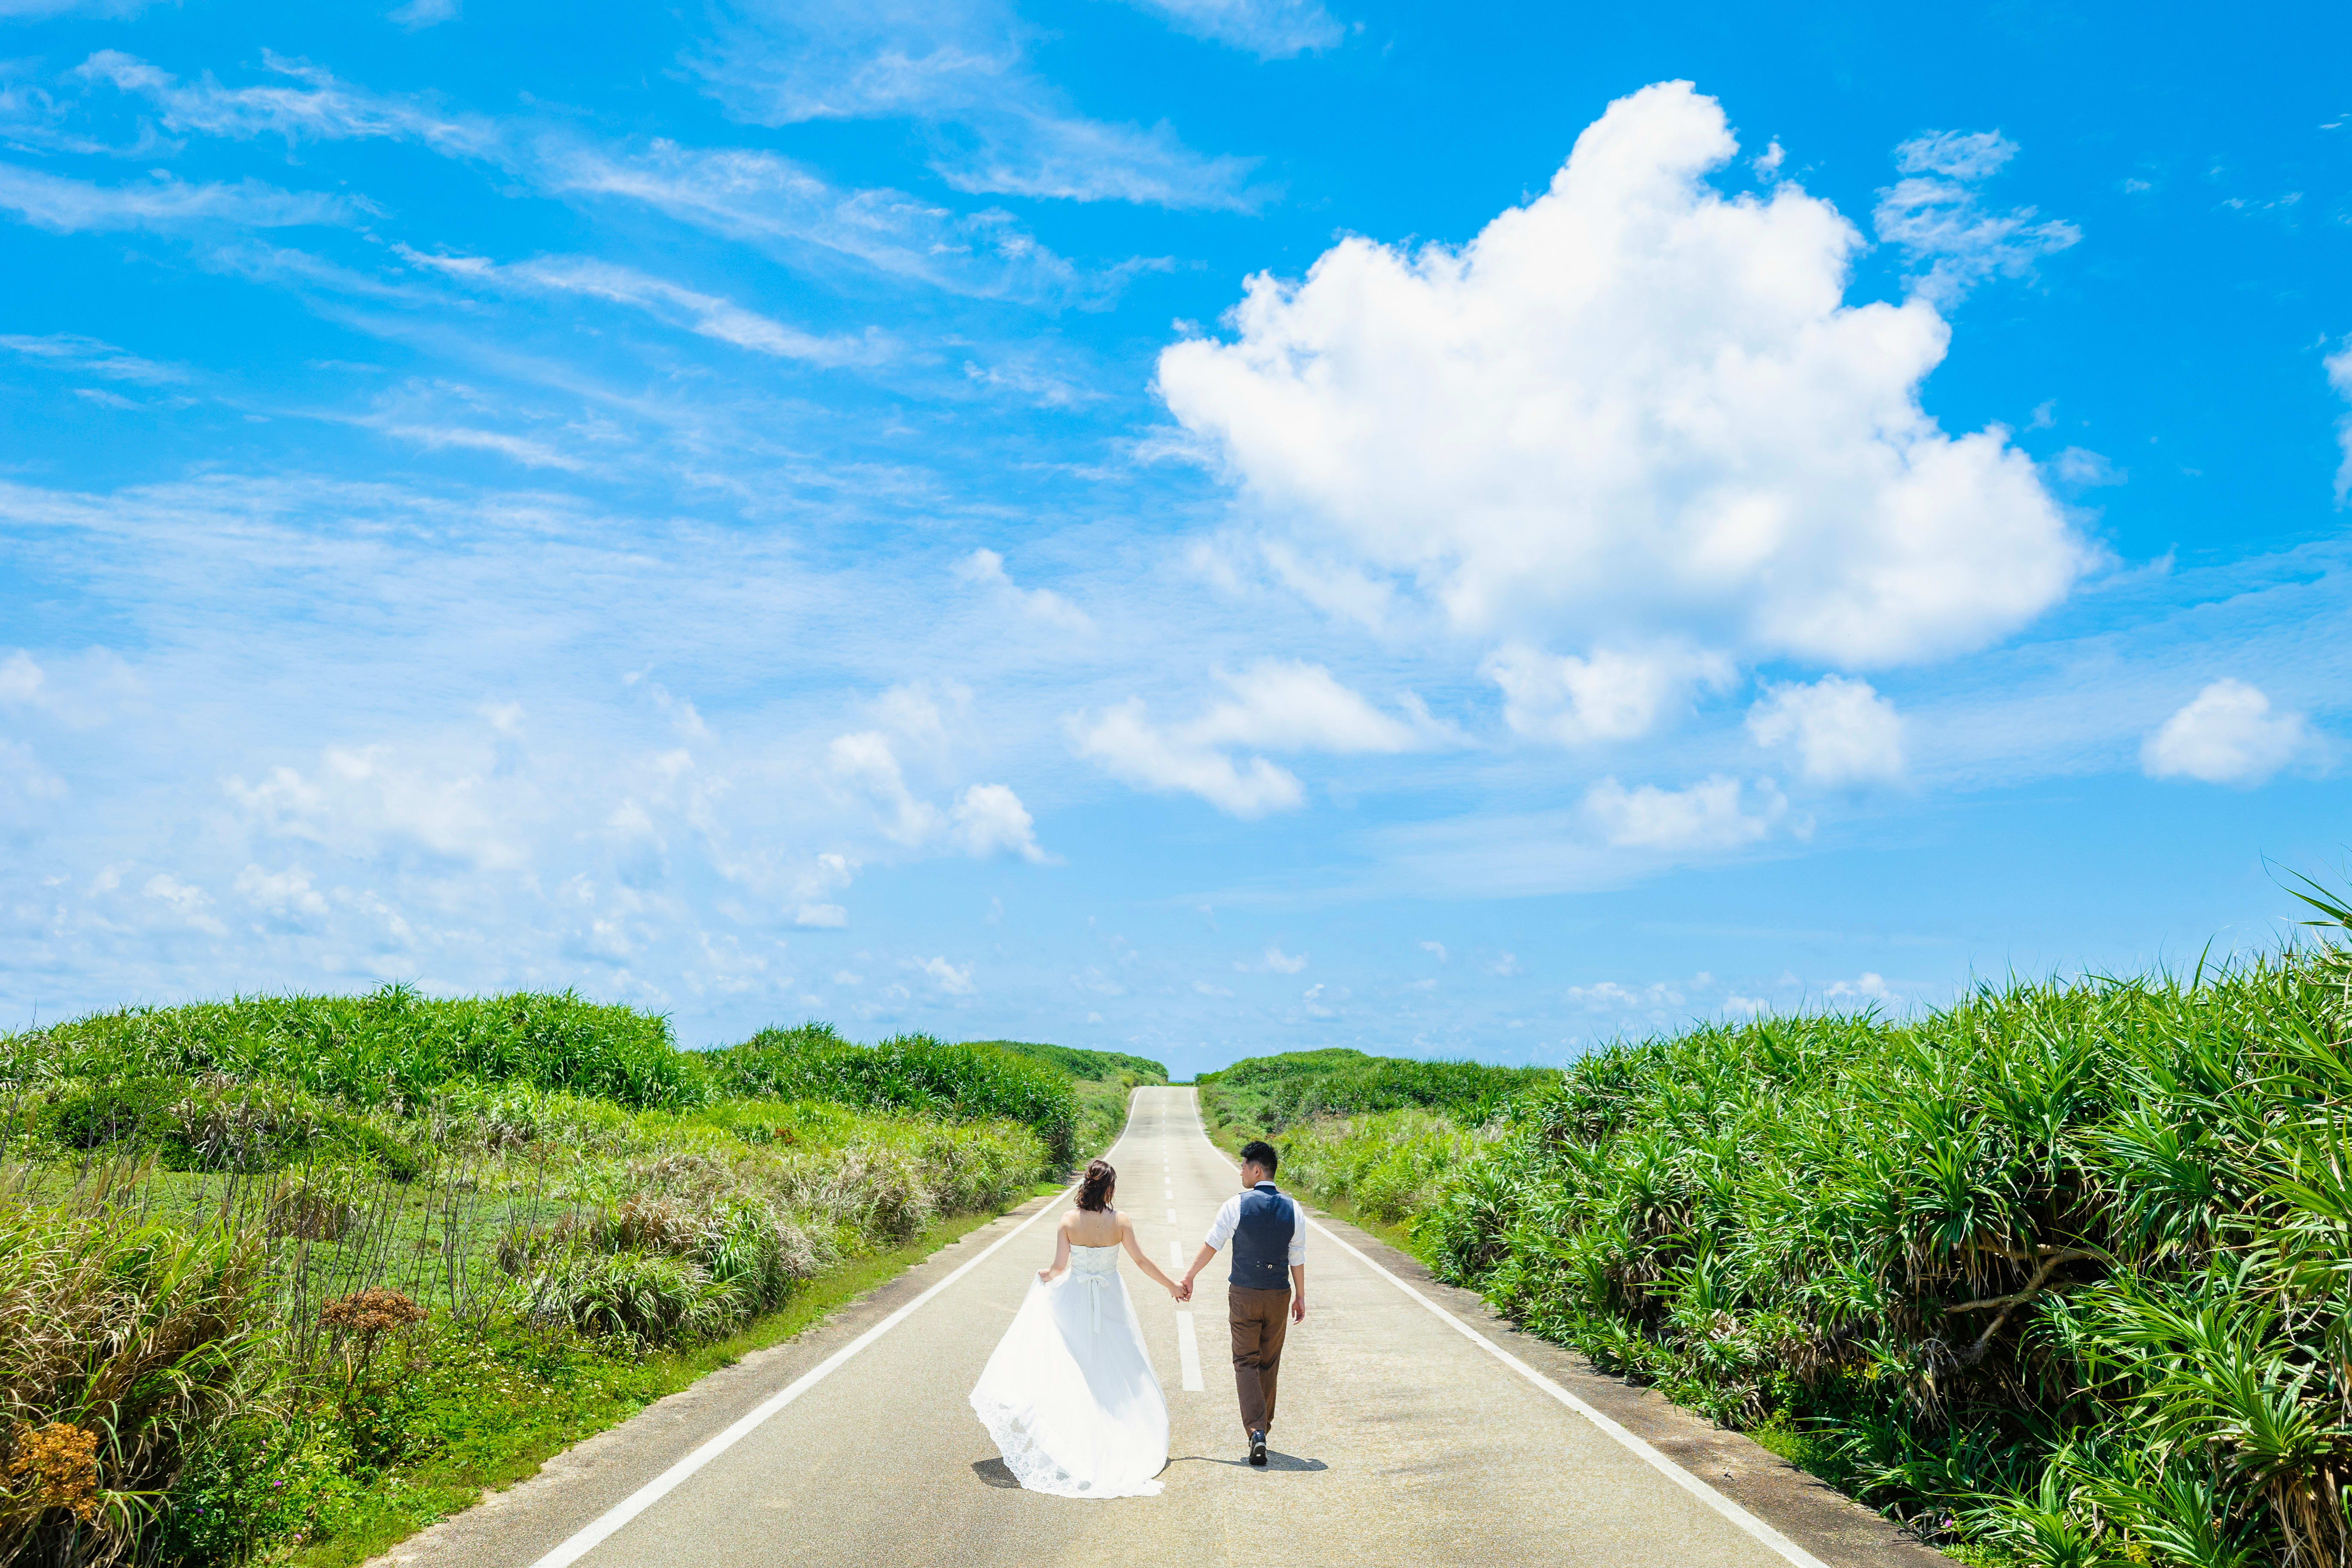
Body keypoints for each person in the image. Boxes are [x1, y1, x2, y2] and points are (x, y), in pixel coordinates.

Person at [969, 1159, 1185, 1498]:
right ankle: (1118, 1426)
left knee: (1076, 1363)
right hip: (1110, 1298)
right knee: (1119, 1362)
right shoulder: (1120, 1221)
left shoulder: (1069, 1220)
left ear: (1086, 1185)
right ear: (1109, 1188)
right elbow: (1141, 1261)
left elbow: (1058, 1268)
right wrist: (1172, 1285)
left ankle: (1077, 1434)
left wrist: (1045, 1276)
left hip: (1075, 1298)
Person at [1175, 1139, 1305, 1468]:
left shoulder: (1236, 1205)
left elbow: (1212, 1243)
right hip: (1278, 1294)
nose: (1241, 1172)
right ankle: (1264, 1429)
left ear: (1257, 1170)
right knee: (1268, 1362)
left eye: (1244, 1166)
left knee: (1245, 1361)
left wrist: (1189, 1276)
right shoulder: (1294, 1208)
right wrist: (1300, 1295)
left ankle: (1256, 1431)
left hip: (1244, 1293)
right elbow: (1297, 1255)